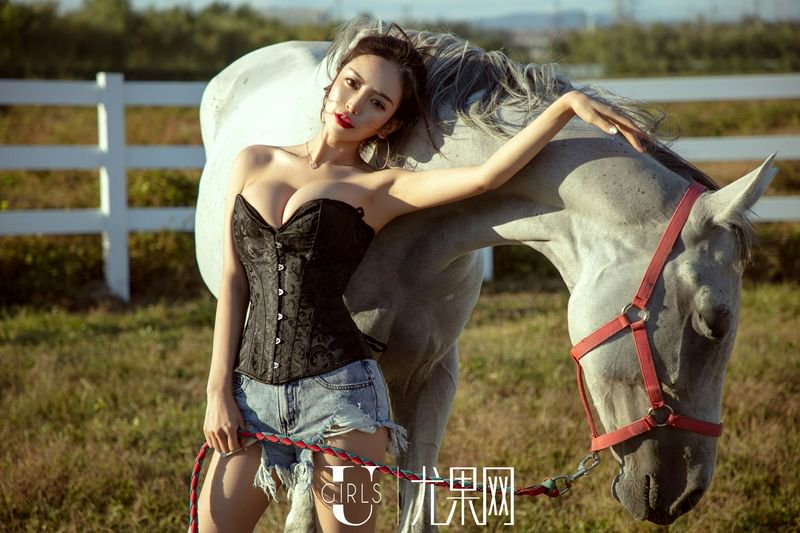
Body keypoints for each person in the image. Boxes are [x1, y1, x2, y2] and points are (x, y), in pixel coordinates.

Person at [196, 19, 645, 533]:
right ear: (333, 79)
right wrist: (218, 391)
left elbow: (486, 178)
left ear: (387, 126)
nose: (354, 104)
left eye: (377, 103)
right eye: (352, 83)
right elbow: (234, 281)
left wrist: (563, 107)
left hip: (343, 401)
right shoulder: (252, 161)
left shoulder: (380, 188)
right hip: (251, 394)